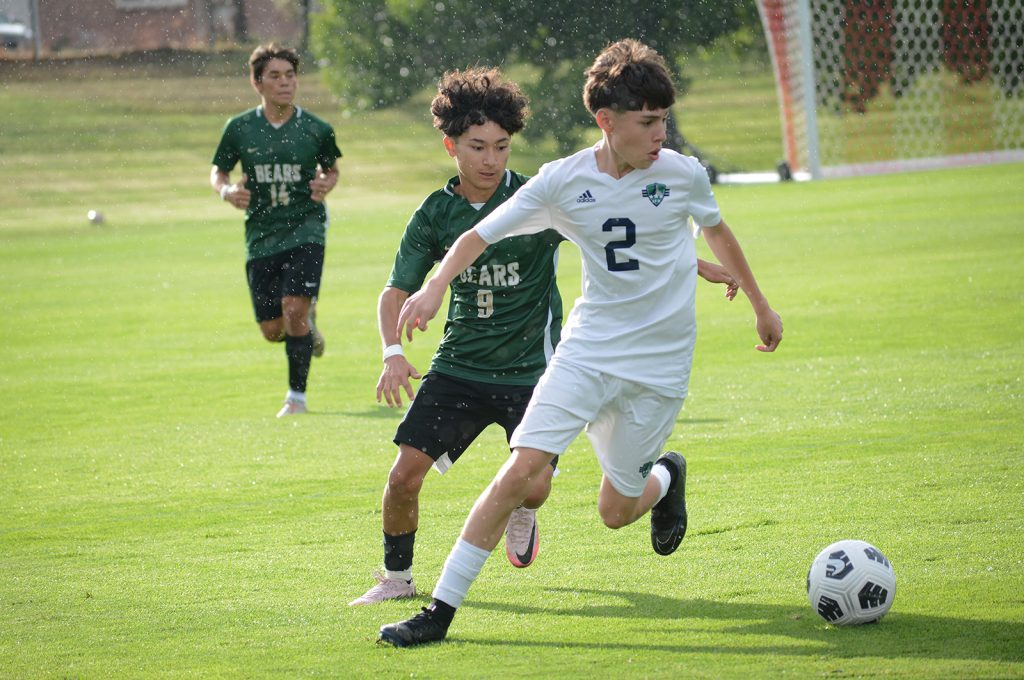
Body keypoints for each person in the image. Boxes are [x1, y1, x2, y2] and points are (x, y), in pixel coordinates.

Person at [378, 39, 782, 647]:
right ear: (606, 120)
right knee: (519, 473)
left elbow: (719, 236)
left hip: (659, 368)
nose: (660, 135)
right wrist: (434, 288)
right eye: (648, 122)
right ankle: (438, 612)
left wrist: (760, 304)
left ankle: (667, 478)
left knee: (615, 512)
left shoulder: (682, 174)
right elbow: (477, 237)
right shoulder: (561, 182)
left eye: (664, 121)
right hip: (585, 355)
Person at [210, 44, 342, 418]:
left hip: (306, 229)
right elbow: (218, 171)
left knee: (293, 309)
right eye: (275, 76)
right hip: (262, 236)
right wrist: (226, 190)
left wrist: (327, 183)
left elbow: (331, 169)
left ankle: (296, 398)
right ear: (257, 83)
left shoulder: (317, 129)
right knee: (273, 329)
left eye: (290, 75)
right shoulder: (239, 129)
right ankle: (306, 327)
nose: (285, 83)